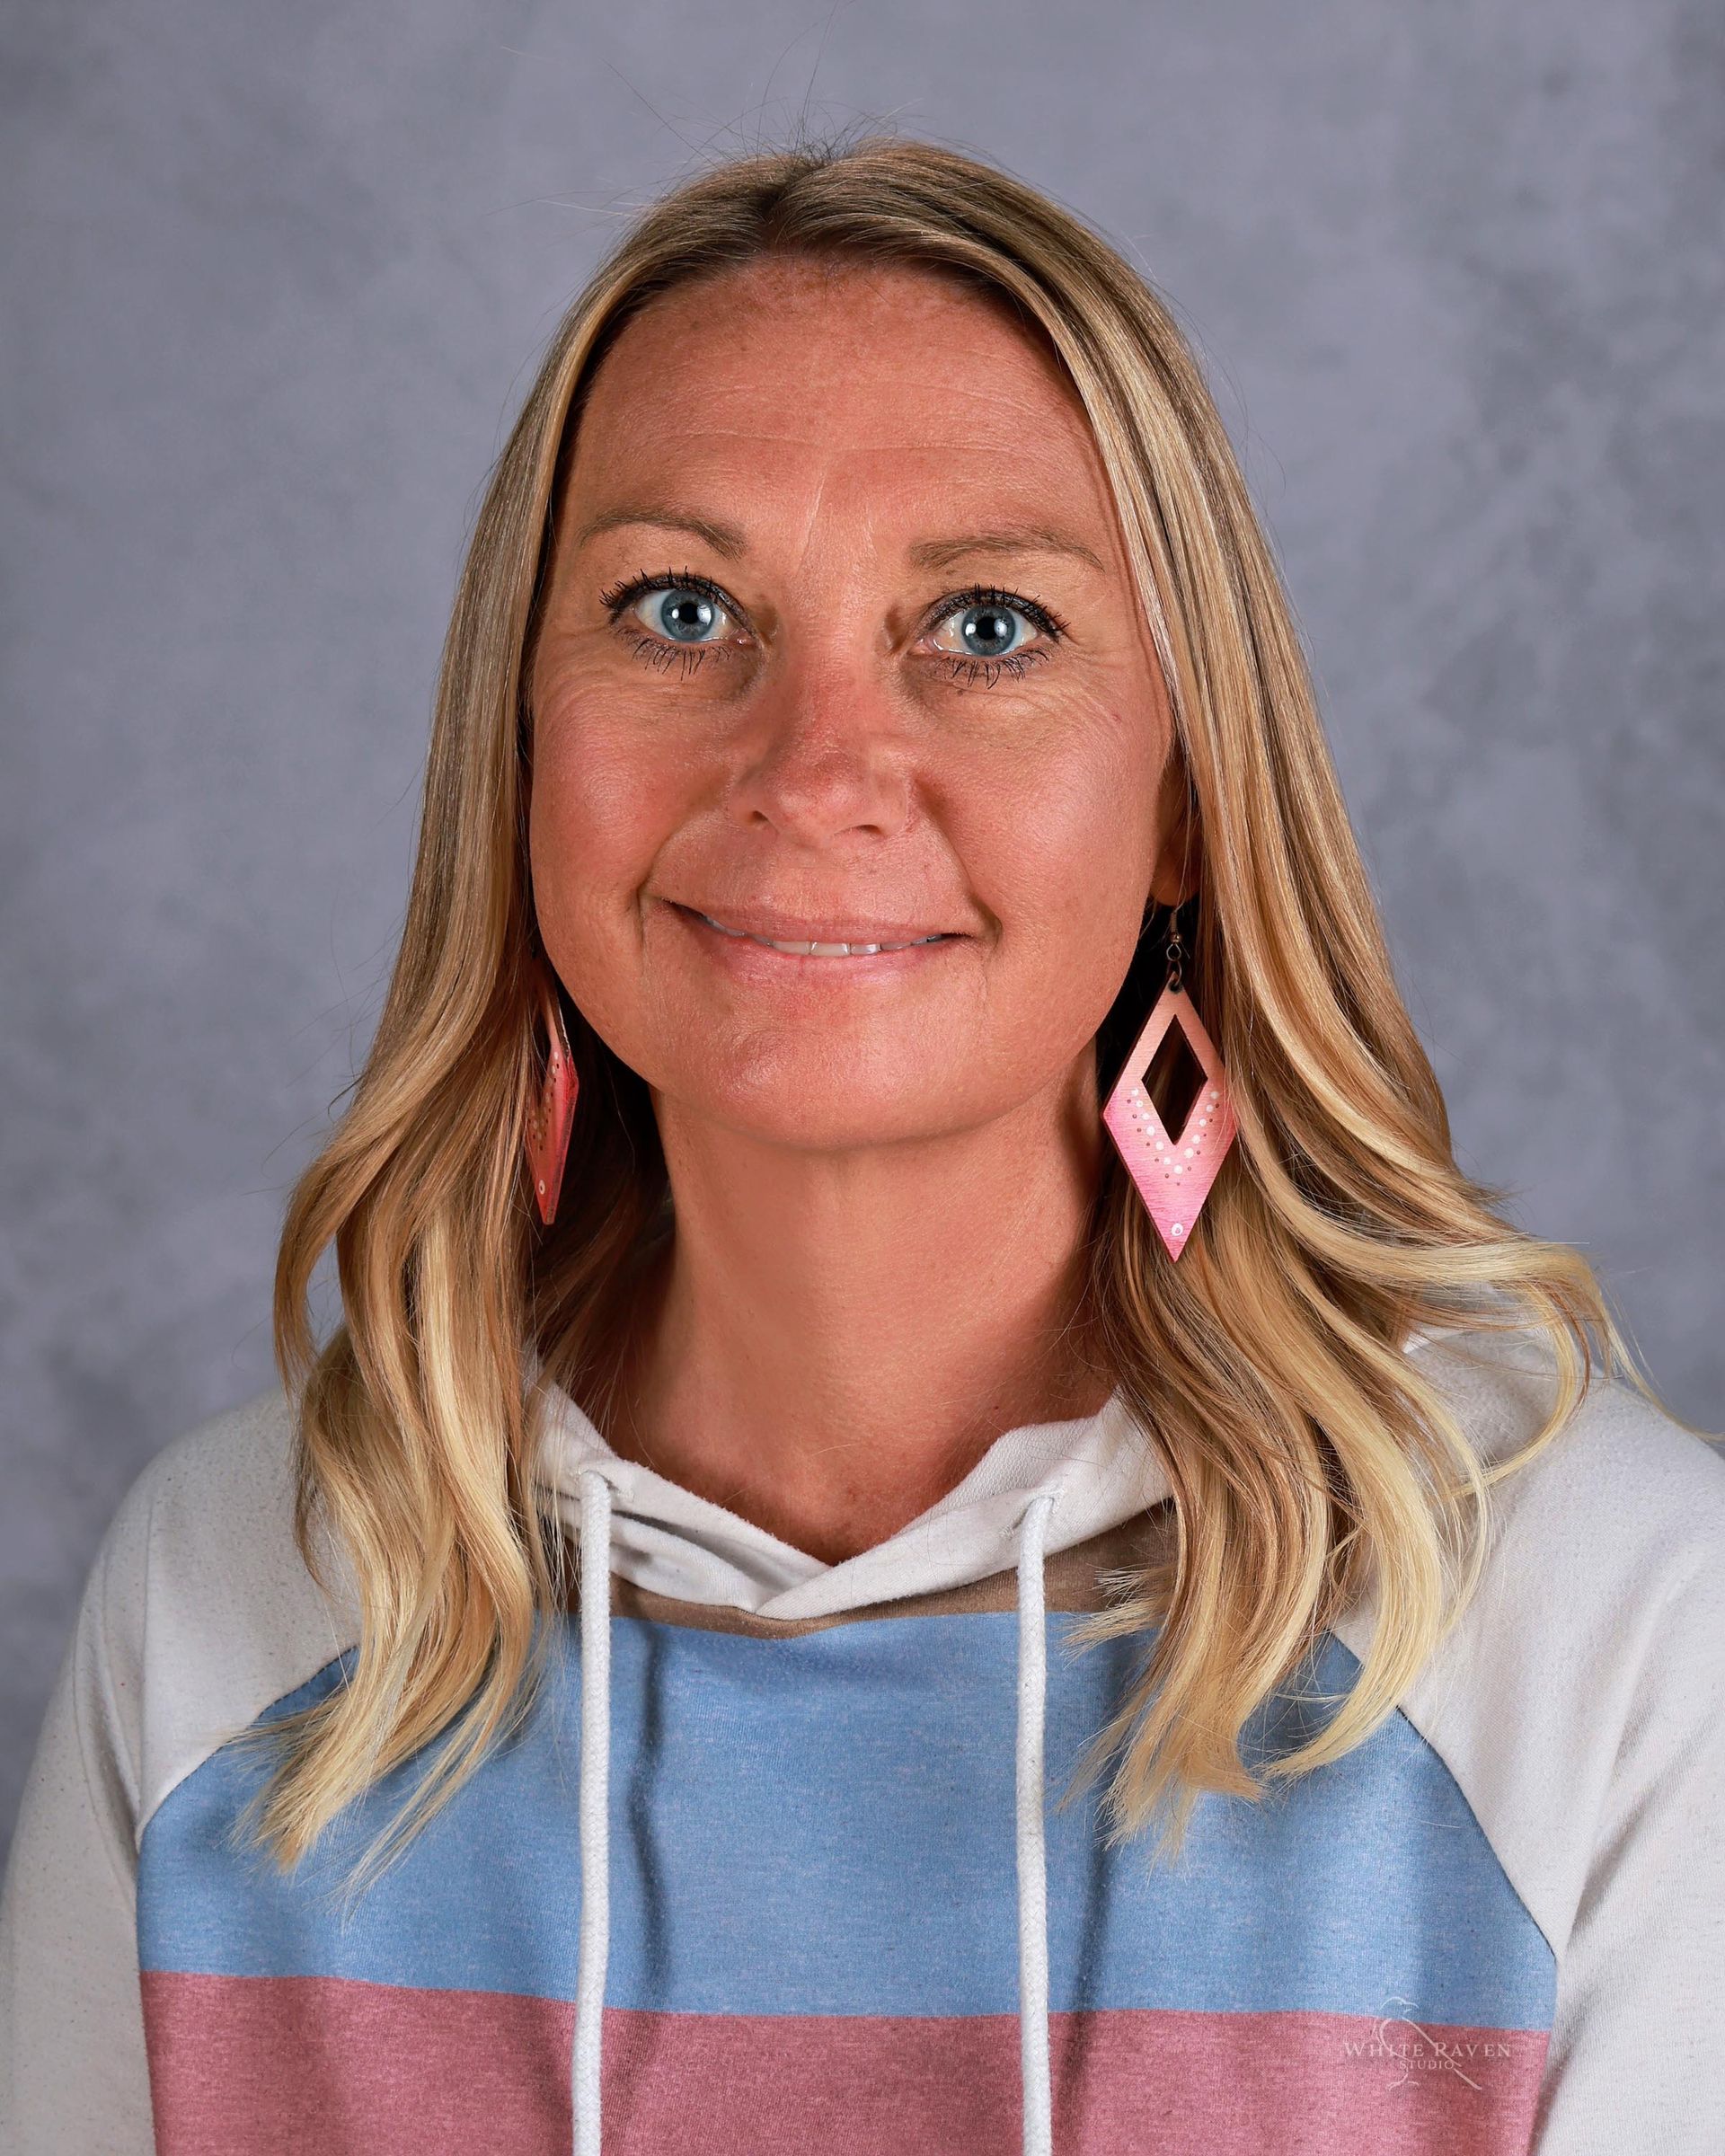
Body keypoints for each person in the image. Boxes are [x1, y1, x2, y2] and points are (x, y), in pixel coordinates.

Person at [2, 129, 1721, 2156]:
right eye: (677, 608)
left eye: (986, 626)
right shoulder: (233, 1589)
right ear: (523, 750)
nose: (813, 770)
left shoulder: (1603, 1614)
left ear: (1185, 793)